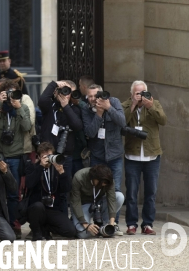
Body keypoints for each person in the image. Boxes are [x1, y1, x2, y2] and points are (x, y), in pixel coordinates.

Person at [122, 80, 167, 236]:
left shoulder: (155, 104)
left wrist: (150, 106)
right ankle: (131, 224)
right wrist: (133, 105)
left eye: (143, 93)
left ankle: (147, 224)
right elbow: (121, 122)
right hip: (132, 156)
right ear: (132, 94)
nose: (140, 96)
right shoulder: (126, 105)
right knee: (132, 192)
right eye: (137, 93)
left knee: (150, 192)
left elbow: (163, 120)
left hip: (152, 156)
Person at [81, 84, 126, 235]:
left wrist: (108, 108)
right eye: (90, 96)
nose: (93, 99)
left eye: (96, 95)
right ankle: (99, 222)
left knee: (116, 190)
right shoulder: (86, 109)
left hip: (114, 155)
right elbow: (90, 132)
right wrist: (98, 114)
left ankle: (114, 223)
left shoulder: (114, 102)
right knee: (97, 190)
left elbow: (122, 122)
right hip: (97, 156)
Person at [0, 79, 32, 238]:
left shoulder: (23, 108)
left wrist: (19, 108)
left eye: (13, 94)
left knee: (14, 193)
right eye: (7, 94)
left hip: (15, 156)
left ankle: (13, 224)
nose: (10, 97)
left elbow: (27, 127)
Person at [38, 80, 82, 207]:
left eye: (68, 92)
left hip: (65, 156)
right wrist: (54, 84)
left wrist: (66, 106)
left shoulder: (74, 109)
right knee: (45, 187)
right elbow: (41, 101)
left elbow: (77, 126)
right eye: (64, 90)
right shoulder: (50, 106)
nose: (65, 94)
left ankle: (61, 218)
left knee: (63, 191)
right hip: (47, 154)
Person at [25, 142, 76, 240]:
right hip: (36, 208)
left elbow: (67, 189)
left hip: (52, 209)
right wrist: (40, 167)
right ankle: (36, 231)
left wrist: (62, 173)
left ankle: (46, 228)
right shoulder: (33, 167)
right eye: (45, 156)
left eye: (50, 156)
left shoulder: (57, 168)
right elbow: (29, 184)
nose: (48, 159)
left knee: (70, 231)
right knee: (37, 207)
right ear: (39, 157)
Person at [70, 165, 124, 239]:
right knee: (84, 234)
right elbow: (75, 202)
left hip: (99, 203)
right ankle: (76, 219)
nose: (103, 184)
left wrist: (111, 224)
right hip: (83, 205)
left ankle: (104, 225)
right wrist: (86, 224)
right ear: (94, 178)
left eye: (105, 183)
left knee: (119, 197)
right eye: (102, 182)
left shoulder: (108, 180)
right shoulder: (79, 177)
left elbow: (112, 200)